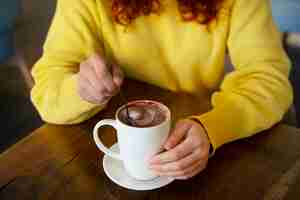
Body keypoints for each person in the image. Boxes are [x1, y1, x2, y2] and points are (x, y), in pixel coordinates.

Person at [31, 0, 293, 180]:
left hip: (196, 133)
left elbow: (269, 77)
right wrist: (81, 90)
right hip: (105, 138)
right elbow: (47, 89)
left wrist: (213, 127)